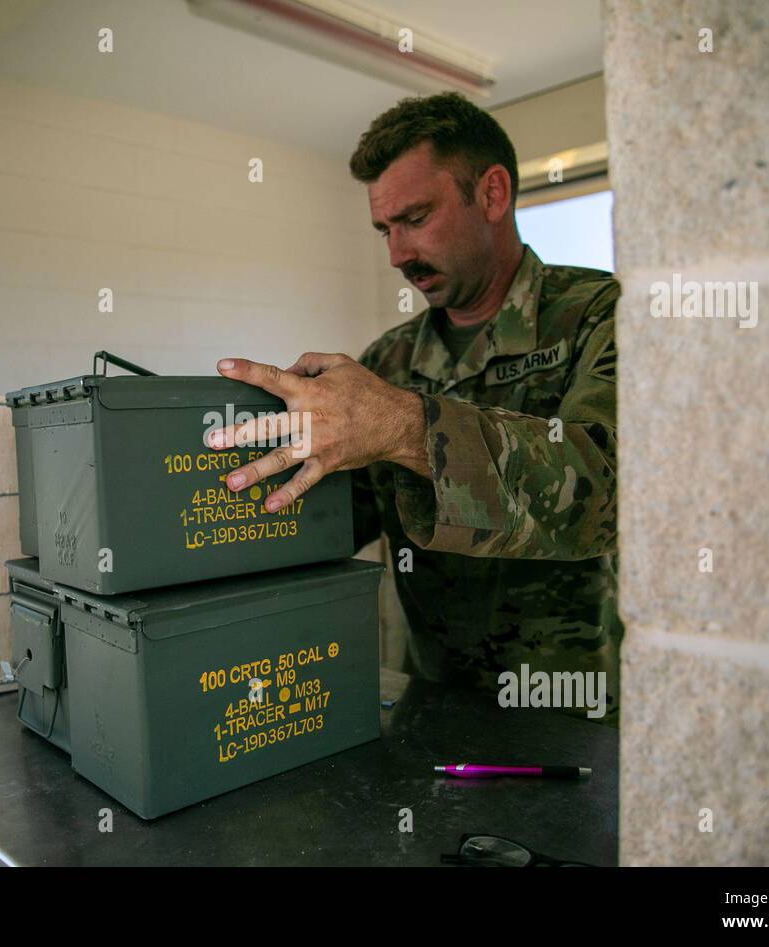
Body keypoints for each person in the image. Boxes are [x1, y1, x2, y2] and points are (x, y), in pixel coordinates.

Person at [205, 92, 621, 723]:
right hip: (437, 703)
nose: (397, 254)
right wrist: (212, 506)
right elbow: (344, 517)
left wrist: (404, 427)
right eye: (384, 230)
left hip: (581, 715)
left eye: (416, 218)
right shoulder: (386, 362)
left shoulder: (602, 315)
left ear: (493, 194)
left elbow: (608, 495)